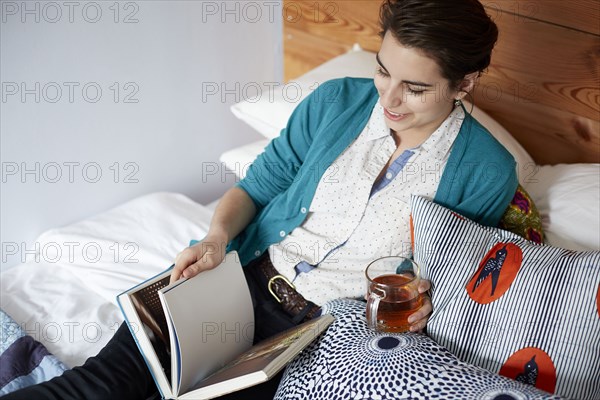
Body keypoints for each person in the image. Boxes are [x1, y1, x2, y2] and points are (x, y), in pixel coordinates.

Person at [5, 0, 517, 399]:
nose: (389, 98)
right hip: (238, 280)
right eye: (383, 71)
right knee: (99, 387)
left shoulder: (487, 170)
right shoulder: (335, 101)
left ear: (464, 83)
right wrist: (215, 239)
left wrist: (420, 305)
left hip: (316, 336)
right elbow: (256, 187)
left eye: (416, 88)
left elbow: (447, 276)